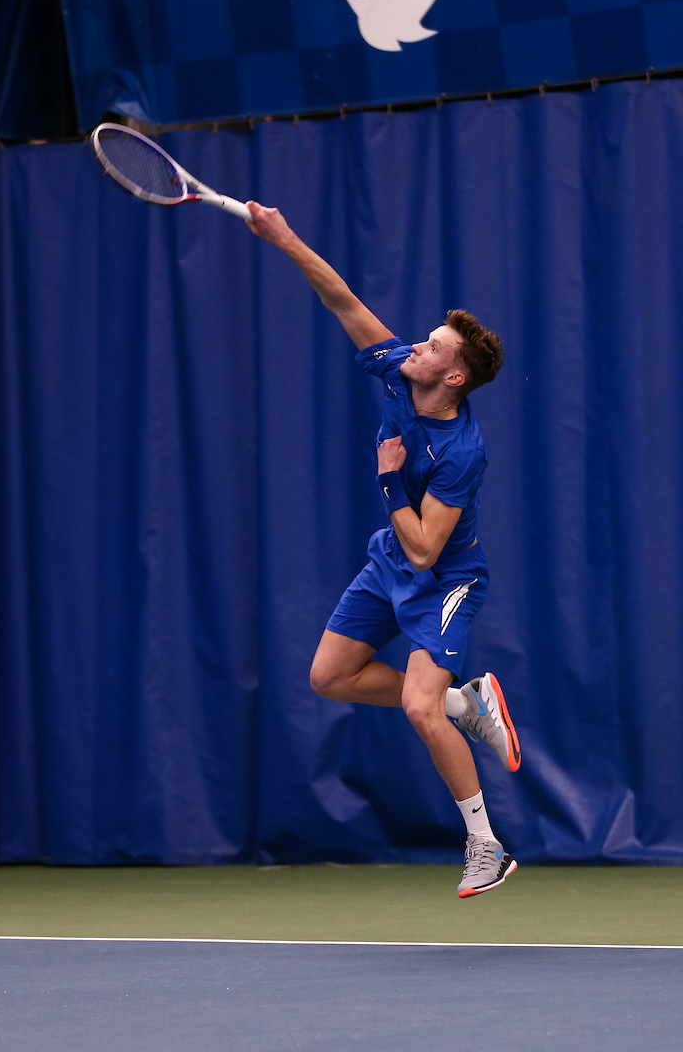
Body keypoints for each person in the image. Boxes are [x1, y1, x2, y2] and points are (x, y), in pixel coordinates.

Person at [246, 200, 520, 898]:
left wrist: (391, 481)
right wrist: (284, 238)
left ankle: (486, 845)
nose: (414, 349)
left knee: (418, 708)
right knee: (329, 676)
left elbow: (429, 549)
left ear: (453, 377)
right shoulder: (402, 372)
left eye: (431, 348)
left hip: (446, 577)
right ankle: (470, 707)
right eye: (422, 343)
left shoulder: (463, 452)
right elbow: (340, 297)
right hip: (387, 564)